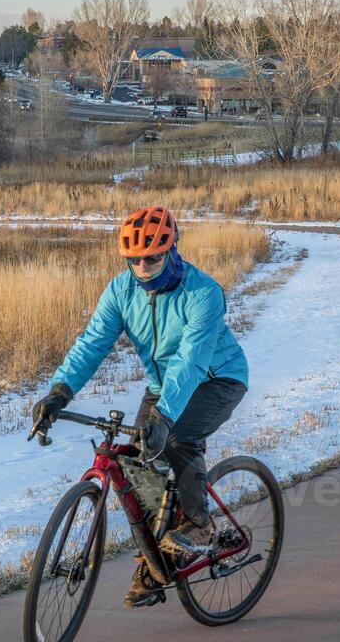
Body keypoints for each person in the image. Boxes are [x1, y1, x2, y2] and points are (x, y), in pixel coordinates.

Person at [31, 207, 249, 608]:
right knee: (138, 468)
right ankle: (156, 564)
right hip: (162, 386)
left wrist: (164, 418)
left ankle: (200, 525)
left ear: (172, 250)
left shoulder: (203, 293)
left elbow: (192, 361)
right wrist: (58, 392)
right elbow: (92, 344)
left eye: (152, 257)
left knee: (178, 439)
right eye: (134, 259)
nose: (143, 267)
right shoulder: (120, 291)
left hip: (217, 379)